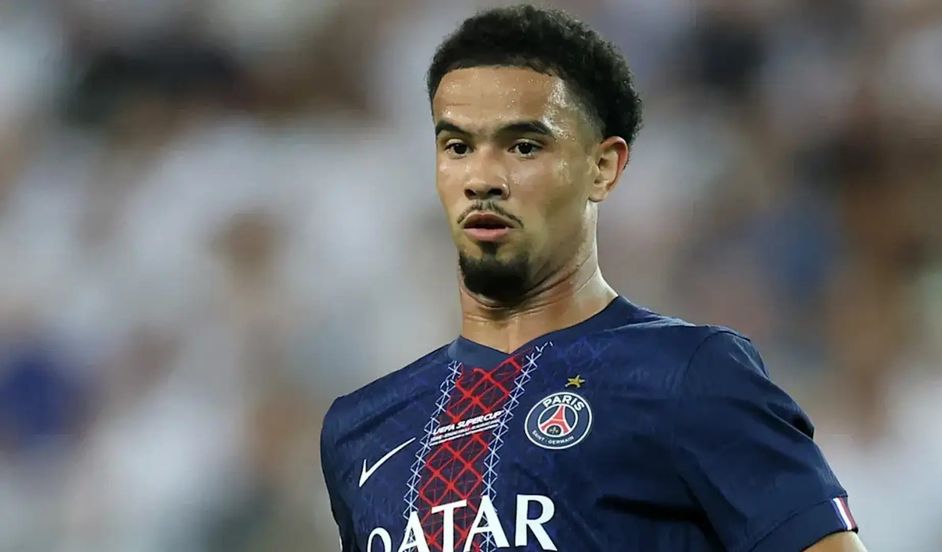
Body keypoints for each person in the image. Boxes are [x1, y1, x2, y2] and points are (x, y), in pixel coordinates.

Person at [320, 5, 865, 551]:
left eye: (524, 146)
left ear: (603, 167)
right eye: (458, 146)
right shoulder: (361, 430)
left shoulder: (687, 374)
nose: (482, 178)